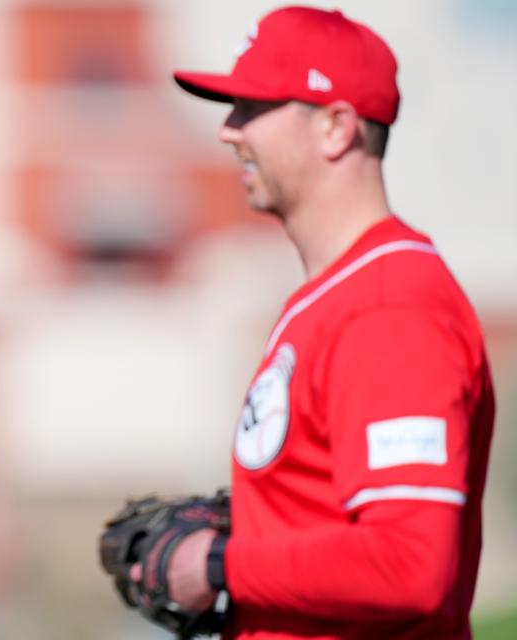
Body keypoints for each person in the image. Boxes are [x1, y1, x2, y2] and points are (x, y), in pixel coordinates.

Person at [162, 6, 495, 639]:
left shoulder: (392, 305)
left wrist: (215, 563)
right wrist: (253, 540)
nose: (228, 131)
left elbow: (409, 564)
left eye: (252, 109)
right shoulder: (331, 297)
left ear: (336, 128)